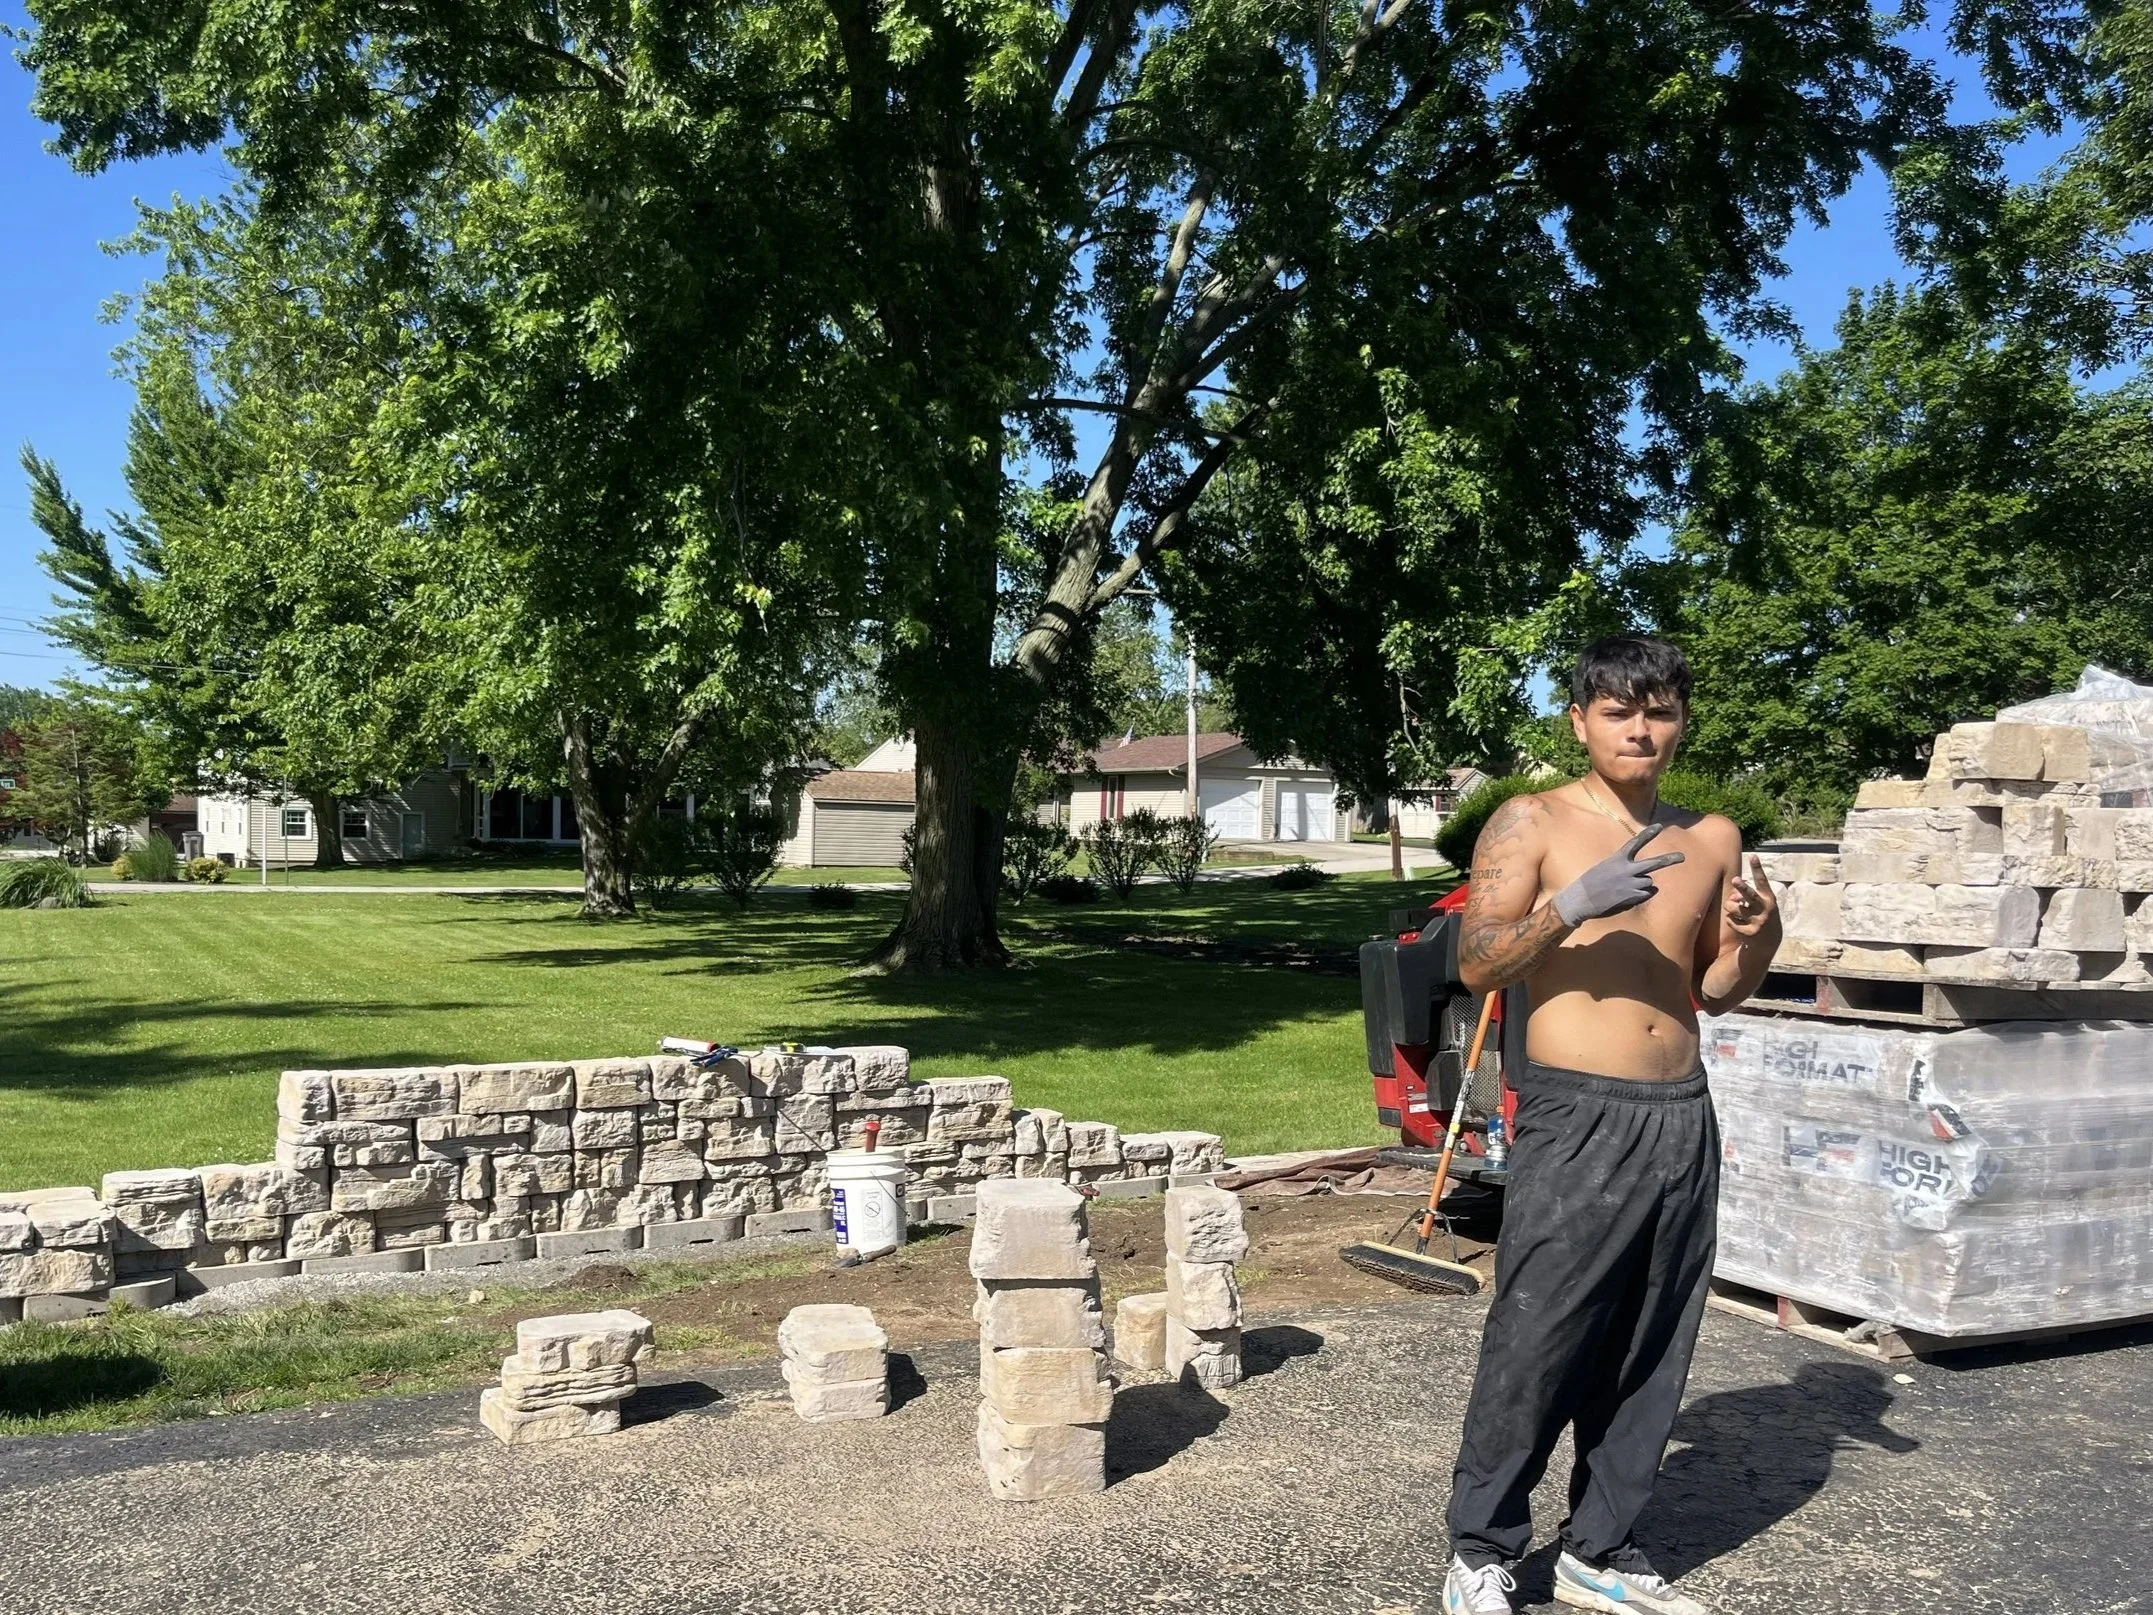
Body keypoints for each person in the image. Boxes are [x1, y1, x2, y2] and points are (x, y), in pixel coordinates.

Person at [1440, 636, 1781, 1615]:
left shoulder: (1710, 837)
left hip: (1679, 1113)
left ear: (1679, 719)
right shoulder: (1530, 821)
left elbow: (1712, 989)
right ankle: (1480, 1549)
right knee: (1536, 1336)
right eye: (1619, 710)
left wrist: (1760, 942)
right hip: (1575, 1115)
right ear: (1579, 719)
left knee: (1650, 1338)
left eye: (1660, 709)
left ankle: (1599, 1546)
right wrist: (1569, 904)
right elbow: (1477, 962)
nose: (1641, 728)